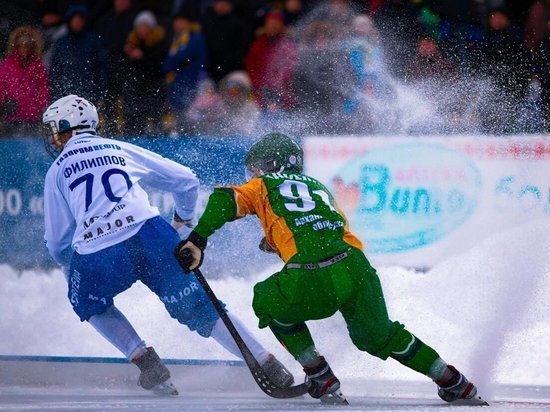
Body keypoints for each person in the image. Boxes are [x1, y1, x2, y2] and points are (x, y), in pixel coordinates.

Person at [175, 132, 488, 405]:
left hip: (315, 271)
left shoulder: (262, 186)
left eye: (256, 168)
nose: (252, 175)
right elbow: (322, 225)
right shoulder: (317, 186)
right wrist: (277, 238)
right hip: (355, 266)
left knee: (266, 299)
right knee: (378, 335)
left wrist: (197, 240)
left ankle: (319, 373)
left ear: (272, 164)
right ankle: (453, 381)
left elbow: (223, 199)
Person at [41, 95, 295, 395]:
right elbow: (185, 180)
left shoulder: (56, 171)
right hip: (151, 233)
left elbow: (57, 243)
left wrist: (70, 269)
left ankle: (145, 360)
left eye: (54, 130)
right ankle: (266, 363)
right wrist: (181, 222)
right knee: (202, 308)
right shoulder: (116, 148)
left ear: (67, 128)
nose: (53, 138)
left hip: (99, 250)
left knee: (86, 302)